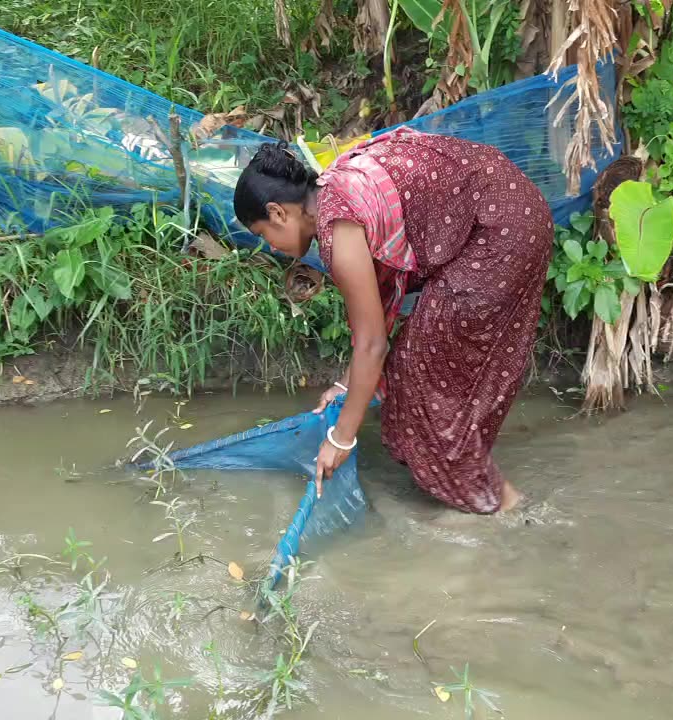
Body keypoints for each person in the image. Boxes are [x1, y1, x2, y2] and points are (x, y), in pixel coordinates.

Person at [233, 128, 552, 514]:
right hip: (510, 206)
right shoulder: (336, 186)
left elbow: (372, 344)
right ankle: (462, 490)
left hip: (499, 231)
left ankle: (496, 505)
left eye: (263, 234)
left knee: (424, 377)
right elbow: (375, 329)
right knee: (409, 369)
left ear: (277, 213)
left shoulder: (339, 227)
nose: (270, 246)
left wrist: (342, 438)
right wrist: (345, 385)